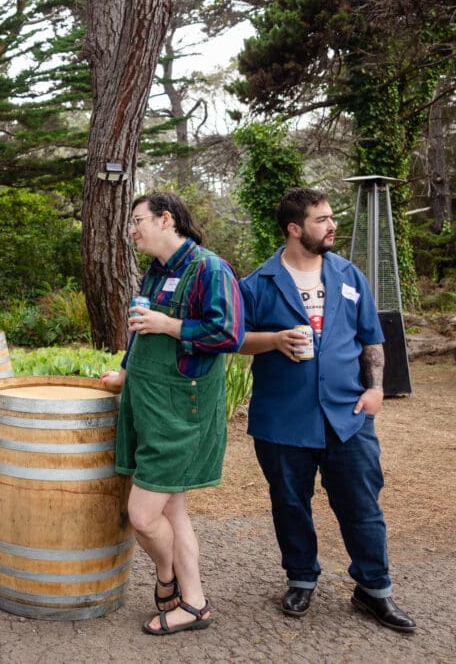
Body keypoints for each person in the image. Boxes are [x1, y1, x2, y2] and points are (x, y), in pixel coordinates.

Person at [238, 187, 415, 632]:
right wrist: (275, 340)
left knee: (361, 505)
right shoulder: (257, 284)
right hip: (282, 421)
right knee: (291, 504)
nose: (332, 225)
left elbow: (372, 338)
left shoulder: (350, 276)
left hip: (348, 417)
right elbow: (234, 340)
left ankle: (374, 590)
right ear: (294, 229)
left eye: (331, 217)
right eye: (322, 219)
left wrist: (375, 390)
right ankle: (301, 579)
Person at [100, 192, 243, 635]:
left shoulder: (209, 269)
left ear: (166, 220)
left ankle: (167, 578)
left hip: (182, 412)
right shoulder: (156, 271)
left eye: (137, 221)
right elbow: (142, 331)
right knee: (175, 512)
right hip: (149, 406)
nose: (131, 230)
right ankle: (194, 603)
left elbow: (229, 333)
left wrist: (171, 325)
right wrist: (125, 371)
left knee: (143, 517)